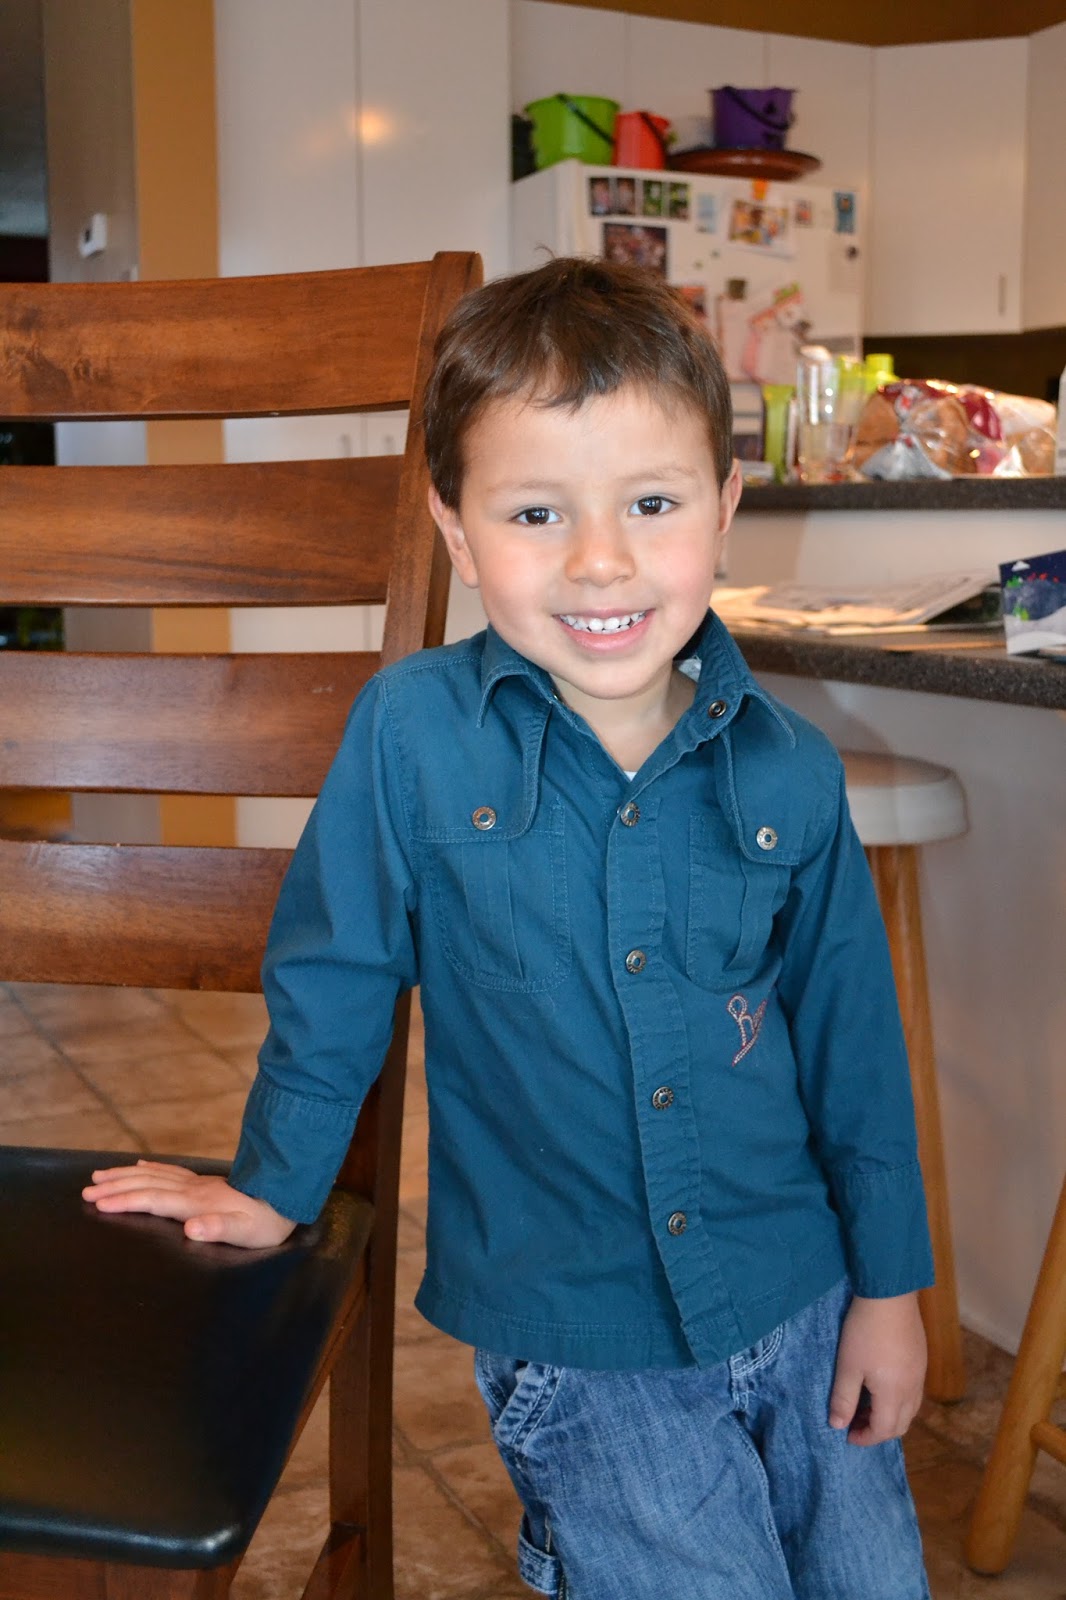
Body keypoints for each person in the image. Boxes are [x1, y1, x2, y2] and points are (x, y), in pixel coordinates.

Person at [85, 256, 934, 1600]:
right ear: (456, 530)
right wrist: (276, 1184)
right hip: (586, 1345)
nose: (600, 560)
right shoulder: (411, 734)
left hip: (803, 1295)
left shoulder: (792, 770)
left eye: (651, 503)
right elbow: (334, 970)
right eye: (537, 512)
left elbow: (853, 1046)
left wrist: (888, 1290)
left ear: (723, 507)